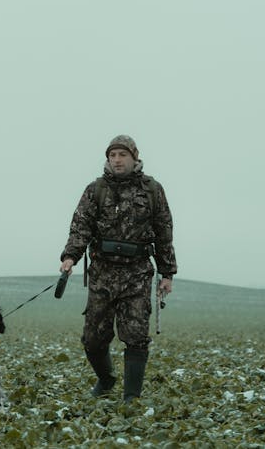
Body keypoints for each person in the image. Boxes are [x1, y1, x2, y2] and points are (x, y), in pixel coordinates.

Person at [59, 135, 176, 401]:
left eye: (122, 155)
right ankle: (106, 379)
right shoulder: (95, 189)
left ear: (134, 157)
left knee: (135, 336)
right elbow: (81, 227)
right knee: (93, 339)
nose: (117, 160)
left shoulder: (152, 190)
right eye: (112, 155)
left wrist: (167, 272)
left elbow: (164, 231)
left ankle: (131, 398)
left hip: (137, 274)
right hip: (102, 274)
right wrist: (70, 257)